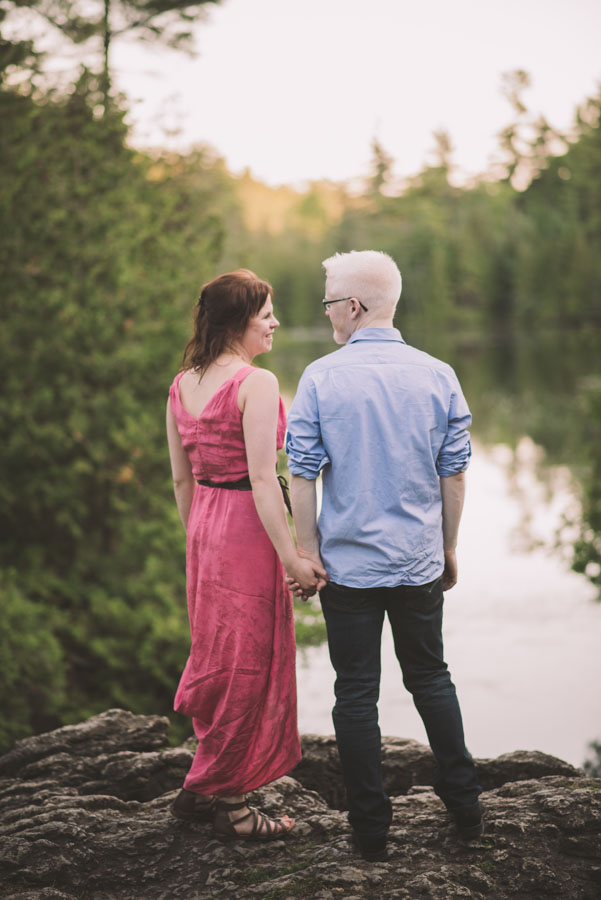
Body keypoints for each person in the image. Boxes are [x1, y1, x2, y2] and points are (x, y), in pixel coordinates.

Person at [286, 250, 483, 862]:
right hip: (417, 560)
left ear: (352, 307)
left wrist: (307, 552)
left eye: (327, 305)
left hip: (347, 568)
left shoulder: (321, 377)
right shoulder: (438, 373)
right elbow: (454, 474)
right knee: (430, 677)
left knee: (355, 695)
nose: (326, 318)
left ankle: (370, 834)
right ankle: (467, 809)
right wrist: (447, 546)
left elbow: (301, 473)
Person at [166, 269, 326, 841]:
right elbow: (264, 479)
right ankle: (230, 803)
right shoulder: (255, 384)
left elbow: (182, 483)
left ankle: (201, 785)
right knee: (246, 663)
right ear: (239, 323)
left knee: (219, 654)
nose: (275, 323)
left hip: (205, 531)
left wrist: (200, 542)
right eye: (267, 315)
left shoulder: (182, 383)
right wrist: (292, 561)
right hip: (244, 528)